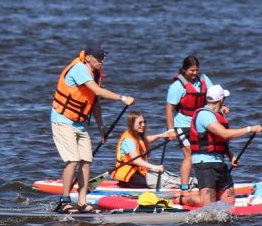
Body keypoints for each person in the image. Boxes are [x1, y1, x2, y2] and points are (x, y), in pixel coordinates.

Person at [50, 41, 135, 213]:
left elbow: (94, 102)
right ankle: (65, 201)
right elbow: (98, 92)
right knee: (73, 160)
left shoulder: (95, 73)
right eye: (98, 57)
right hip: (63, 120)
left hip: (79, 123)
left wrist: (100, 127)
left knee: (86, 161)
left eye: (103, 57)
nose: (102, 60)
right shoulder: (80, 69)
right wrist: (122, 98)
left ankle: (82, 202)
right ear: (88, 58)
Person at [177, 84, 262, 207]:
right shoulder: (204, 115)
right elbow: (224, 134)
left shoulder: (217, 115)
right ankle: (181, 199)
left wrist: (230, 155)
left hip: (219, 162)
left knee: (229, 202)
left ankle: (213, 195)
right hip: (204, 163)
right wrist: (250, 129)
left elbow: (221, 139)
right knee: (206, 203)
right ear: (221, 100)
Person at [165, 56, 229, 192]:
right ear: (184, 70)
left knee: (205, 152)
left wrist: (223, 106)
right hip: (182, 125)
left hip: (200, 123)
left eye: (197, 70)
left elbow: (215, 97)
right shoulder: (177, 86)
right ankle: (184, 187)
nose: (195, 73)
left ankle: (207, 183)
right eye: (191, 70)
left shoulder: (204, 79)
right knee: (190, 154)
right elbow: (169, 109)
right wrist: (171, 130)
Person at [110, 111, 182, 189]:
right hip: (127, 175)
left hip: (136, 171)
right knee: (147, 182)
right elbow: (136, 161)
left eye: (144, 122)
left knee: (162, 176)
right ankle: (123, 185)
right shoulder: (128, 140)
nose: (143, 125)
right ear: (132, 124)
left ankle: (183, 182)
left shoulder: (136, 135)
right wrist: (154, 167)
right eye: (140, 123)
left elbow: (144, 141)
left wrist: (161, 135)